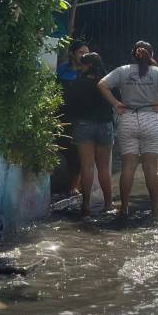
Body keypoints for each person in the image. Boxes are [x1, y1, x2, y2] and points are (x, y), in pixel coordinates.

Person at [98, 41, 158, 219]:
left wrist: (116, 103)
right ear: (151, 55)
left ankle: (124, 208)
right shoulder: (157, 72)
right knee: (150, 168)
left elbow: (102, 85)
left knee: (128, 167)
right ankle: (155, 209)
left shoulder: (122, 70)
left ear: (133, 54)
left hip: (128, 118)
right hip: (151, 119)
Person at [65, 52, 115, 217]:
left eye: (82, 65)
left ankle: (86, 205)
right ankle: (108, 204)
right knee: (104, 167)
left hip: (83, 125)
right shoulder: (107, 82)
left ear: (88, 65)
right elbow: (116, 99)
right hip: (105, 124)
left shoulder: (78, 83)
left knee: (87, 166)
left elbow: (70, 104)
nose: (80, 68)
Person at [56, 40, 90, 197]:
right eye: (81, 52)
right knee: (64, 147)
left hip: (82, 115)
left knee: (79, 151)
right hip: (63, 114)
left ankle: (75, 186)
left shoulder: (89, 71)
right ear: (72, 54)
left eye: (87, 53)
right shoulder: (62, 70)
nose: (84, 56)